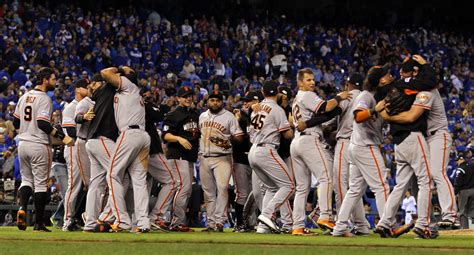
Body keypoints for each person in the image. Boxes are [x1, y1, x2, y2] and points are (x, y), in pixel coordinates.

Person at [290, 68, 352, 235]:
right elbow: (324, 107)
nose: (312, 82)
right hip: (309, 140)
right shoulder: (307, 95)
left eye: (312, 79)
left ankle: (297, 226)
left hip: (296, 141)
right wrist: (340, 97)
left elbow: (320, 117)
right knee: (326, 177)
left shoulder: (297, 99)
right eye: (308, 80)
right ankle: (324, 216)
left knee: (302, 187)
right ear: (300, 82)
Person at [333, 64, 391, 237]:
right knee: (381, 186)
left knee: (355, 190)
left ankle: (340, 226)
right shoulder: (366, 96)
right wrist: (375, 109)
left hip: (357, 146)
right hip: (365, 145)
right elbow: (358, 116)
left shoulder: (375, 96)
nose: (389, 77)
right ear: (380, 79)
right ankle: (387, 224)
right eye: (386, 75)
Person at [13, 67, 74, 232]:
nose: (55, 83)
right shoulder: (45, 99)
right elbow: (43, 124)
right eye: (53, 79)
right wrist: (62, 136)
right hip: (39, 145)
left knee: (26, 181)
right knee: (41, 185)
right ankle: (38, 224)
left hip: (22, 145)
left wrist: (27, 130)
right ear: (45, 79)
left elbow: (16, 124)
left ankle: (22, 208)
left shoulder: (24, 96)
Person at [100, 66, 151, 232]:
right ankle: (143, 223)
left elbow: (105, 72)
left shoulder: (128, 86)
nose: (120, 74)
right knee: (139, 181)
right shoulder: (133, 92)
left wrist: (120, 68)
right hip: (142, 137)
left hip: (130, 134)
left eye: (124, 73)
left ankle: (122, 220)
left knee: (112, 174)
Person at [248, 80, 294, 233]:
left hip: (253, 149)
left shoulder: (257, 108)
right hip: (266, 149)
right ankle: (267, 214)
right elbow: (287, 134)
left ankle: (262, 227)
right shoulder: (277, 109)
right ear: (278, 92)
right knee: (289, 186)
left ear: (262, 92)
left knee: (272, 188)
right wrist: (292, 125)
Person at [199, 90, 243, 232]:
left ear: (222, 102)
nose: (215, 102)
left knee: (222, 188)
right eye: (212, 100)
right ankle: (211, 223)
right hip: (204, 157)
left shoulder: (229, 117)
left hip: (222, 158)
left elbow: (239, 137)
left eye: (217, 100)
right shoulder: (202, 116)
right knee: (208, 193)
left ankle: (219, 222)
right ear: (208, 101)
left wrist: (228, 141)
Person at [82, 75, 119, 232]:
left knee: (96, 184)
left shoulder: (98, 97)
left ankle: (90, 223)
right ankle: (104, 218)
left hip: (93, 142)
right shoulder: (107, 90)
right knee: (120, 176)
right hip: (102, 139)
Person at [162, 86, 200, 232]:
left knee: (186, 190)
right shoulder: (173, 114)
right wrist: (179, 138)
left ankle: (173, 220)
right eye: (185, 96)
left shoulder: (194, 114)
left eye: (190, 95)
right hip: (177, 155)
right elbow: (165, 135)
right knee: (183, 189)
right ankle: (176, 222)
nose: (188, 98)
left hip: (189, 157)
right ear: (178, 98)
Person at [61, 78, 90, 231]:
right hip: (73, 147)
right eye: (86, 87)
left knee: (88, 185)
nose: (89, 89)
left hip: (85, 148)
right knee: (74, 185)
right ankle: (67, 219)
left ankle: (78, 217)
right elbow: (70, 132)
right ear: (78, 89)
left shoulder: (88, 105)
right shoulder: (70, 107)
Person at [454, 156, 474, 229]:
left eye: (457, 160)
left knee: (462, 211)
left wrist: (455, 192)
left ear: (461, 160)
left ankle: (465, 229)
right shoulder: (472, 167)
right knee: (472, 210)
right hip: (473, 190)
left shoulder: (460, 169)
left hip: (464, 192)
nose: (457, 162)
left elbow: (458, 181)